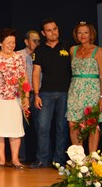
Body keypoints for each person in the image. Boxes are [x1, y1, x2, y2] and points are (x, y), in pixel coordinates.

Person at [0, 28, 29, 170]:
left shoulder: (18, 57)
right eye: (8, 42)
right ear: (1, 43)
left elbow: (24, 78)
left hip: (14, 98)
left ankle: (15, 159)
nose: (11, 45)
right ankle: (1, 158)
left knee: (15, 129)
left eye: (13, 42)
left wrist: (26, 96)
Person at [30, 19, 71, 169]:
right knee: (43, 127)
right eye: (49, 30)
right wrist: (36, 94)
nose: (53, 32)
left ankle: (58, 160)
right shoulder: (39, 50)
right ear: (43, 33)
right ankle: (42, 159)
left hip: (65, 93)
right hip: (46, 93)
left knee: (62, 127)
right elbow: (35, 73)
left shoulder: (68, 46)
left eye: (55, 29)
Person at [66, 22, 102, 153]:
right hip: (75, 91)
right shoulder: (73, 50)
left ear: (91, 34)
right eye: (80, 33)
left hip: (92, 91)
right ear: (76, 35)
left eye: (86, 32)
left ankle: (92, 159)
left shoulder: (98, 50)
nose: (83, 35)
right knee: (73, 124)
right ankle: (79, 160)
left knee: (92, 125)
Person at [16, 29, 40, 162]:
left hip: (37, 94)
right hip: (22, 95)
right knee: (20, 127)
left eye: (38, 41)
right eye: (34, 40)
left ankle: (39, 157)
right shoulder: (18, 55)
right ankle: (21, 157)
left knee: (39, 126)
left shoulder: (42, 54)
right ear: (26, 41)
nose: (37, 43)